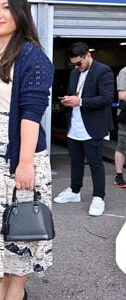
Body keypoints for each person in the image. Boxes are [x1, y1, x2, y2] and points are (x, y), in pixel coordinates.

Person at [0, 0, 54, 299]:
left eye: (6, 6)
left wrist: (26, 162)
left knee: (19, 230)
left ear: (20, 12)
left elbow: (32, 112)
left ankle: (16, 290)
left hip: (17, 154)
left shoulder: (33, 56)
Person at [54, 42, 115, 216]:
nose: (77, 67)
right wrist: (68, 100)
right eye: (74, 64)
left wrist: (79, 102)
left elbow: (106, 99)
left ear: (88, 55)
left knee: (95, 163)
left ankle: (98, 197)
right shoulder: (74, 72)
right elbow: (75, 94)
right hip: (75, 125)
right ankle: (74, 191)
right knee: (75, 161)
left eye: (79, 63)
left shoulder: (103, 71)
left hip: (94, 126)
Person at [114, 66, 126, 187]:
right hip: (125, 115)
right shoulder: (124, 72)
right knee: (122, 146)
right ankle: (119, 175)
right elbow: (122, 95)